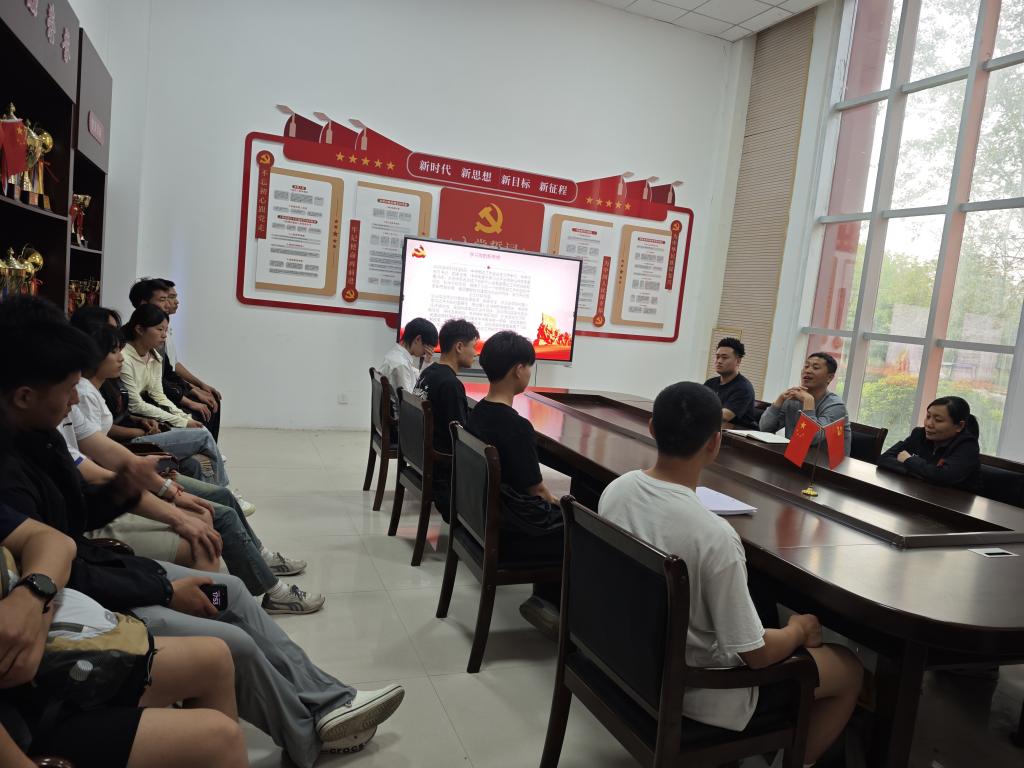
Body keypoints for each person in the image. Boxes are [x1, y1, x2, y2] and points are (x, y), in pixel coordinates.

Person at [0, 299, 405, 763]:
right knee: (232, 642)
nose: (75, 400)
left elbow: (70, 524)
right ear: (24, 395)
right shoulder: (10, 468)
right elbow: (66, 565)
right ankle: (309, 735)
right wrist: (167, 590)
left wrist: (127, 488)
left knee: (228, 592)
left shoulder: (41, 437)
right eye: (68, 388)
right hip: (103, 602)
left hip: (117, 577)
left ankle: (330, 701)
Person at [599, 382, 862, 764]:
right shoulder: (715, 536)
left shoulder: (617, 490)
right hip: (698, 692)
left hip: (628, 659)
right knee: (849, 668)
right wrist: (798, 630)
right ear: (715, 442)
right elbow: (757, 655)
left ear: (652, 428)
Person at [467, 331, 564, 632]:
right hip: (509, 533)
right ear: (518, 369)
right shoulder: (517, 427)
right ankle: (552, 607)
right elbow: (537, 491)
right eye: (530, 367)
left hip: (480, 521)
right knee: (580, 531)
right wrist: (562, 506)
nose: (529, 373)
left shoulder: (477, 412)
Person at [129, 279, 219, 435]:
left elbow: (170, 370)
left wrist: (196, 388)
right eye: (163, 299)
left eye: (170, 298)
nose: (170, 303)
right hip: (145, 404)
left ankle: (207, 445)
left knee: (206, 406)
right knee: (197, 416)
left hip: (161, 395)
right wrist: (186, 410)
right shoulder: (133, 345)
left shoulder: (156, 342)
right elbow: (140, 400)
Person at [414, 318, 479, 520]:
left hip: (420, 458)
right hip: (443, 474)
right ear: (459, 347)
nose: (476, 353)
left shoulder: (428, 372)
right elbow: (461, 439)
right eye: (473, 346)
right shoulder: (450, 384)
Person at [120, 303, 202, 431]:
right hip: (129, 418)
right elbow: (135, 405)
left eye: (166, 330)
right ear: (140, 329)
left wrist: (185, 418)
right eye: (159, 329)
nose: (164, 335)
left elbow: (158, 395)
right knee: (193, 431)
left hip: (143, 410)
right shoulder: (123, 358)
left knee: (196, 422)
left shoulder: (155, 357)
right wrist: (181, 422)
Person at [878, 396, 982, 492]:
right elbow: (884, 459)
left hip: (950, 503)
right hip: (916, 494)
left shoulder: (968, 446)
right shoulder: (919, 434)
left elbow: (944, 477)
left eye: (938, 420)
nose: (928, 424)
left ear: (959, 426)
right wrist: (919, 472)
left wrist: (909, 460)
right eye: (928, 416)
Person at [760, 352, 851, 456]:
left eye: (815, 368)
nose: (808, 371)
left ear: (829, 377)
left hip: (826, 464)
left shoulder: (836, 406)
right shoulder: (794, 399)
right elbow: (765, 428)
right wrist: (779, 400)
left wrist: (808, 402)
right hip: (795, 457)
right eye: (806, 366)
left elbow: (810, 438)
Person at [704, 337, 758, 428]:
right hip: (713, 430)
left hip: (737, 434)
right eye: (717, 357)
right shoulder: (710, 383)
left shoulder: (743, 388)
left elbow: (723, 417)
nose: (719, 361)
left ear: (738, 361)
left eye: (724, 357)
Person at [380, 317, 438, 398]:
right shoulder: (401, 364)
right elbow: (409, 401)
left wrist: (426, 361)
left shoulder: (396, 355)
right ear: (418, 339)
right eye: (427, 347)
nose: (426, 352)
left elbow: (417, 380)